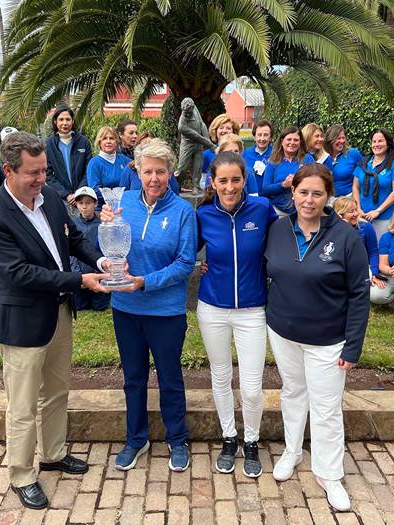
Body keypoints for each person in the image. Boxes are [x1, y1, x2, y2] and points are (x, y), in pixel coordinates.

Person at [0, 132, 110, 510]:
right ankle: (21, 473)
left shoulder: (49, 196)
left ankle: (52, 453)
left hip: (59, 314)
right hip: (23, 324)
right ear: (8, 170)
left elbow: (72, 239)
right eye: (33, 173)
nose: (41, 179)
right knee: (22, 405)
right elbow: (19, 273)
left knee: (56, 391)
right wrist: (78, 280)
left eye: (44, 171)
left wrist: (100, 261)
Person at [264, 163, 369, 512]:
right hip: (283, 332)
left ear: (328, 197)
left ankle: (329, 473)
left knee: (326, 408)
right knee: (293, 392)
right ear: (292, 192)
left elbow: (358, 295)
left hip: (328, 339)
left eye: (317, 193)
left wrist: (353, 345)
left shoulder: (347, 238)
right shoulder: (278, 228)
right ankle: (293, 451)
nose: (309, 200)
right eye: (303, 192)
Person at [101, 139, 197, 473]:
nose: (154, 178)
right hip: (125, 307)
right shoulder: (122, 204)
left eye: (160, 171)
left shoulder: (183, 211)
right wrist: (106, 241)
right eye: (147, 171)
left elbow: (186, 263)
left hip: (165, 311)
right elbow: (109, 249)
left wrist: (146, 281)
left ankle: (177, 438)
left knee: (170, 378)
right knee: (134, 377)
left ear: (170, 173)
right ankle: (135, 438)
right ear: (137, 172)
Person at [196, 152, 277, 478]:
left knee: (253, 386)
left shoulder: (262, 209)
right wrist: (197, 264)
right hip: (212, 308)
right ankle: (229, 438)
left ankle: (252, 441)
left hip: (252, 310)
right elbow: (184, 250)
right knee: (220, 377)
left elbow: (285, 244)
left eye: (235, 180)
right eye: (223, 181)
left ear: (245, 180)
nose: (229, 187)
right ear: (213, 183)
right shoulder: (204, 214)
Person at [352, 128, 394, 240]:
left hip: (384, 218)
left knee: (381, 250)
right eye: (374, 141)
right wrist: (358, 208)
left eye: (380, 141)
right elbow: (355, 187)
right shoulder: (364, 162)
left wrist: (377, 211)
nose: (377, 144)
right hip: (361, 216)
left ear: (388, 143)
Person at [45, 105, 93, 214]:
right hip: (62, 198)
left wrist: (78, 192)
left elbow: (89, 170)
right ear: (55, 121)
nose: (65, 123)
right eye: (61, 119)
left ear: (73, 121)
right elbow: (47, 174)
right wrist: (66, 194)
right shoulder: (49, 144)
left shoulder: (83, 142)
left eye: (68, 119)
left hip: (83, 197)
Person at [71, 186, 110, 312]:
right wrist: (77, 275)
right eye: (80, 203)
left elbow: (105, 251)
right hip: (80, 276)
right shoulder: (72, 225)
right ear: (76, 204)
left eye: (88, 203)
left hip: (98, 274)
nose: (84, 206)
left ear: (95, 203)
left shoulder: (102, 225)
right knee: (80, 306)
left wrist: (99, 273)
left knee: (99, 306)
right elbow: (70, 253)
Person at [261, 126, 313, 216]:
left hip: (302, 211)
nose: (292, 143)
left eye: (296, 140)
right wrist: (283, 185)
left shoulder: (308, 159)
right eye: (289, 139)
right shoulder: (273, 161)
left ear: (300, 142)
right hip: (278, 211)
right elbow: (265, 189)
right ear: (282, 141)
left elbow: (315, 182)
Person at [333, 197, 382, 289]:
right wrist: (341, 229)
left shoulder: (366, 227)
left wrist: (374, 272)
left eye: (356, 210)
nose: (356, 214)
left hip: (362, 268)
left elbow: (373, 252)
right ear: (340, 214)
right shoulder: (332, 230)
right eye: (351, 211)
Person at [86, 126, 132, 207]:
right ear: (99, 142)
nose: (108, 141)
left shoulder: (124, 159)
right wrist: (116, 198)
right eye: (104, 138)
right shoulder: (94, 163)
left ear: (116, 142)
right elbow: (95, 190)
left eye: (111, 138)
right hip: (103, 209)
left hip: (125, 206)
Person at [322, 124, 363, 198]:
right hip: (327, 199)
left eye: (343, 138)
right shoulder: (322, 156)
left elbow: (363, 175)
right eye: (338, 138)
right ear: (330, 140)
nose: (342, 141)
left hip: (348, 199)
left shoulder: (353, 154)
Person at [202, 114, 240, 188]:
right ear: (215, 131)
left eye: (228, 128)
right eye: (221, 128)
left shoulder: (238, 152)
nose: (224, 131)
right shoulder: (207, 154)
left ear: (233, 131)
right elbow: (203, 179)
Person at [242, 120, 274, 191]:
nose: (262, 139)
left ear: (271, 137)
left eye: (266, 135)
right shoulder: (246, 154)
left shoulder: (276, 154)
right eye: (259, 135)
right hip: (250, 196)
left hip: (270, 197)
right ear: (254, 137)